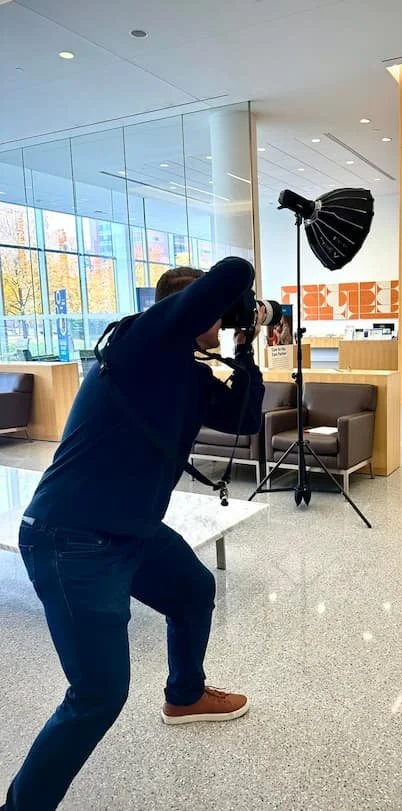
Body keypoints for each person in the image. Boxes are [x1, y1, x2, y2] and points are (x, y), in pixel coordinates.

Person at [1, 258, 265, 811]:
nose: (214, 318)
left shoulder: (188, 373)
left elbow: (245, 419)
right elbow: (233, 269)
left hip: (132, 531)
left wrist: (245, 345)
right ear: (175, 309)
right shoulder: (136, 340)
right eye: (207, 310)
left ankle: (185, 695)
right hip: (70, 536)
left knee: (193, 590)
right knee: (98, 695)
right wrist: (232, 294)